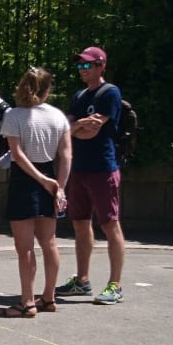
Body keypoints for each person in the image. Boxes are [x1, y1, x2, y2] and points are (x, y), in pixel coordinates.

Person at [56, 46, 126, 305]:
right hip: (79, 168)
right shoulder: (79, 95)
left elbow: (94, 130)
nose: (82, 70)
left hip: (103, 168)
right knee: (80, 223)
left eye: (87, 65)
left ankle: (115, 285)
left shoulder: (110, 93)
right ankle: (82, 280)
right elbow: (68, 128)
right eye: (80, 66)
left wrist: (77, 128)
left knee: (109, 224)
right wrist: (78, 126)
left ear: (101, 65)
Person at [1, 66, 71, 317]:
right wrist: (59, 186)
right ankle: (49, 298)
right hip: (51, 178)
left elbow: (17, 155)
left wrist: (41, 179)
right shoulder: (58, 116)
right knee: (49, 242)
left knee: (25, 247)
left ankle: (27, 302)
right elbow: (65, 154)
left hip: (25, 180)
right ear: (48, 89)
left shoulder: (14, 115)